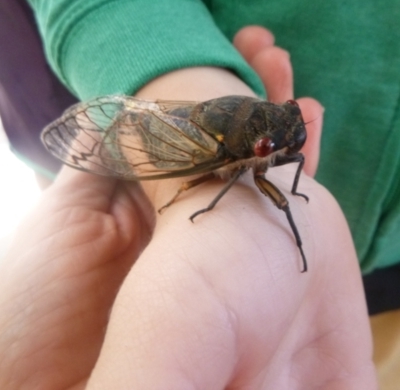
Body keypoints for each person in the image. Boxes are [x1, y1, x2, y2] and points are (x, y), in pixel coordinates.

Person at [0, 29, 377, 388]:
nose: (290, 141)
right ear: (258, 147)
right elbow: (229, 178)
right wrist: (213, 206)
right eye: (265, 146)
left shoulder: (272, 135)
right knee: (217, 174)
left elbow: (286, 157)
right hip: (187, 141)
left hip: (379, 281)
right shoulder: (234, 154)